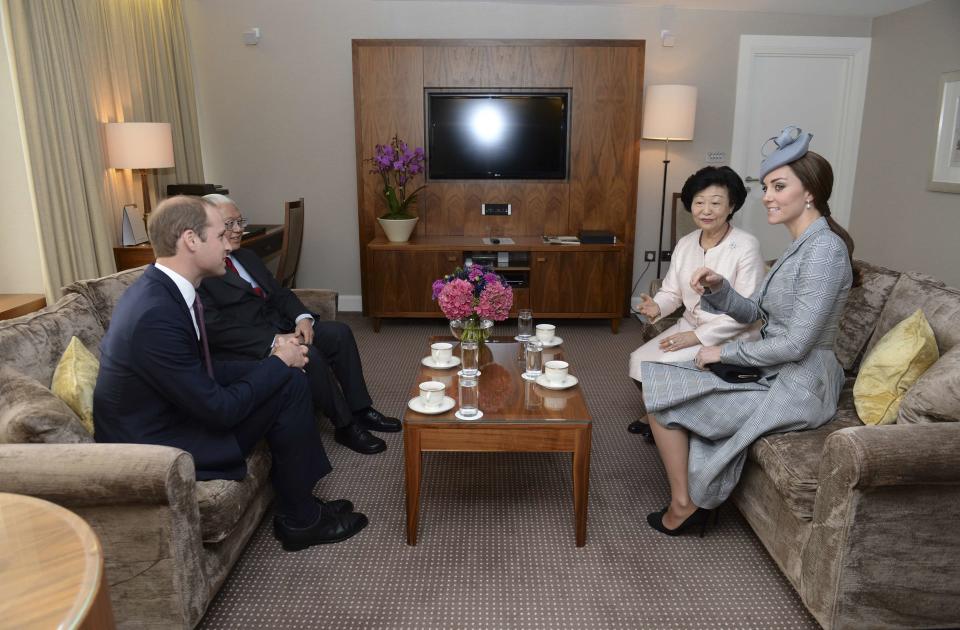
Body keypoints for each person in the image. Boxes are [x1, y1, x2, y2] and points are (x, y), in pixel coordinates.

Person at [93, 195, 368, 551]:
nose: (230, 243)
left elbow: (200, 370)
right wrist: (275, 362)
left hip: (175, 410)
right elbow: (218, 410)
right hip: (159, 443)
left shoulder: (167, 290)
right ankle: (301, 522)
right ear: (191, 240)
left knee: (289, 374)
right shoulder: (155, 314)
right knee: (284, 377)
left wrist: (279, 361)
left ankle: (299, 506)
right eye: (221, 235)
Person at [641, 126, 857, 536]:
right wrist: (719, 289)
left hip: (801, 384)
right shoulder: (801, 245)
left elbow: (797, 343)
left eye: (779, 187)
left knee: (665, 405)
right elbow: (756, 309)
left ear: (809, 192)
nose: (767, 197)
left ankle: (685, 504)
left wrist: (723, 354)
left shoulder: (824, 251)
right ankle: (690, 500)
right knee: (662, 386)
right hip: (778, 371)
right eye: (767, 187)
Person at [197, 194, 400, 456]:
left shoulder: (246, 256)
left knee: (339, 333)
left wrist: (301, 317)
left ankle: (360, 409)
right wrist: (275, 341)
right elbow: (215, 328)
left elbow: (280, 294)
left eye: (240, 222)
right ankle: (345, 426)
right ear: (209, 227)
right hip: (252, 345)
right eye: (230, 224)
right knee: (310, 355)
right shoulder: (201, 272)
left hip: (280, 326)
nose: (239, 230)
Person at [628, 166, 765, 440]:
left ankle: (665, 420)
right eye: (699, 202)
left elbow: (747, 311)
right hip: (689, 324)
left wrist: (697, 338)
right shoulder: (686, 243)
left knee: (664, 365)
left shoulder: (746, 245)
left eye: (716, 203)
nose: (706, 210)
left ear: (732, 206)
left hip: (730, 334)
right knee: (639, 360)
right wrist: (657, 306)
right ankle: (658, 413)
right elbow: (672, 292)